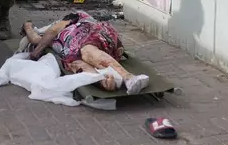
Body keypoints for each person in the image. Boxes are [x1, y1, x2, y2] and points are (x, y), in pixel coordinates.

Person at [20, 11, 150, 95]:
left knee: (87, 51)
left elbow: (53, 30)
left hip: (95, 36)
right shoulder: (50, 40)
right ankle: (103, 81)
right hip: (74, 52)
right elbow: (35, 39)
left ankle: (129, 78)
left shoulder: (77, 18)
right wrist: (28, 27)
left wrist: (34, 56)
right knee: (76, 63)